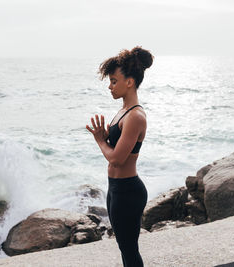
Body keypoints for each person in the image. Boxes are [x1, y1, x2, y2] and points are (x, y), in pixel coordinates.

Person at [85, 46, 153, 267]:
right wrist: (105, 136)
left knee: (130, 251)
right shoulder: (123, 111)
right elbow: (116, 147)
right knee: (125, 249)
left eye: (114, 81)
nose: (110, 86)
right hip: (116, 188)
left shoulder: (135, 115)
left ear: (130, 82)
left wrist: (100, 141)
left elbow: (116, 159)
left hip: (128, 192)